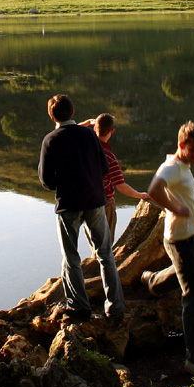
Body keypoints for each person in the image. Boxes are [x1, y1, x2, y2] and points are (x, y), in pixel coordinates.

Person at [38, 94, 124, 323]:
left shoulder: (50, 140)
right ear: (73, 112)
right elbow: (104, 167)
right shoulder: (89, 135)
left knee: (71, 258)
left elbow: (46, 181)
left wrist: (66, 182)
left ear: (51, 115)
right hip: (95, 201)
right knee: (106, 254)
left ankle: (79, 307)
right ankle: (115, 308)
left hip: (68, 205)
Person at [141, 121, 194, 375]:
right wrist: (176, 208)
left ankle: (153, 283)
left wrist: (187, 202)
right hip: (181, 240)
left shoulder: (183, 165)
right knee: (193, 300)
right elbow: (154, 190)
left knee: (191, 284)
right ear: (182, 145)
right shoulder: (171, 167)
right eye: (193, 150)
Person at [80, 113, 150, 242]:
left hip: (84, 202)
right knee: (105, 244)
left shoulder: (83, 147)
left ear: (95, 129)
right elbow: (122, 187)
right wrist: (141, 195)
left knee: (94, 242)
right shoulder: (109, 158)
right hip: (104, 203)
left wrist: (86, 123)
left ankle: (97, 260)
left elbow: (65, 132)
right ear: (112, 131)